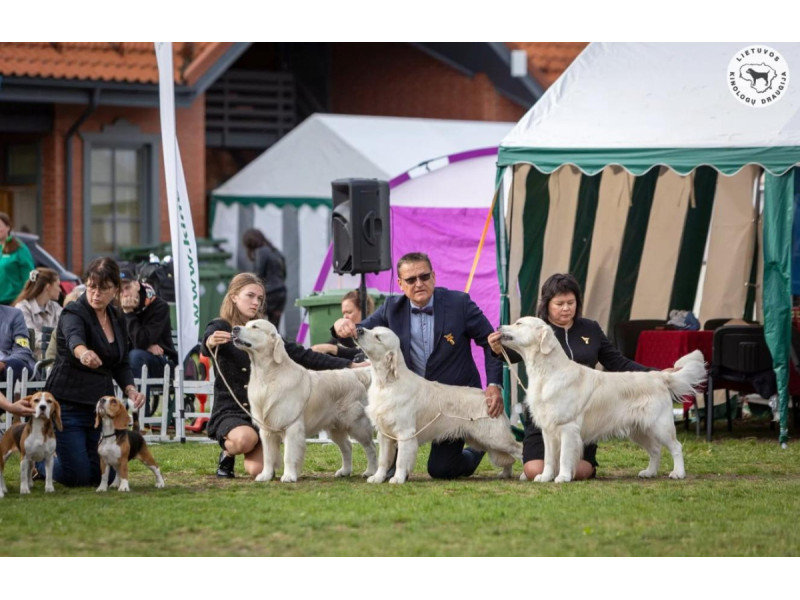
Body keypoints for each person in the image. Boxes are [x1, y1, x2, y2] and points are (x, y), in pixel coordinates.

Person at [333, 251, 504, 480]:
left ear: (433, 276)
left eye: (424, 276)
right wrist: (341, 327)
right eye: (411, 280)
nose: (419, 283)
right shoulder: (390, 308)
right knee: (390, 469)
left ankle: (476, 447)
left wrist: (493, 384)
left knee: (442, 470)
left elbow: (490, 342)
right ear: (401, 284)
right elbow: (360, 334)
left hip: (453, 405)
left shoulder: (459, 303)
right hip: (410, 401)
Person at [488, 272, 653, 481]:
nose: (566, 308)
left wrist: (654, 373)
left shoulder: (590, 329)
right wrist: (496, 349)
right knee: (534, 471)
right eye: (559, 303)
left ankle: (576, 464)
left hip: (582, 420)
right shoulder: (536, 330)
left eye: (571, 302)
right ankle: (544, 463)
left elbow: (617, 362)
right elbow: (509, 355)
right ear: (547, 304)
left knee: (580, 472)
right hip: (544, 419)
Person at [203, 272, 363, 478]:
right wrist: (210, 341)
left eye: (259, 299)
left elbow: (303, 355)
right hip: (233, 410)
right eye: (250, 296)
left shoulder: (265, 330)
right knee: (244, 440)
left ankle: (261, 452)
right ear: (234, 296)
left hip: (265, 411)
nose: (255, 303)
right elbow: (208, 342)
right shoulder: (221, 326)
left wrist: (349, 364)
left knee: (257, 470)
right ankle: (227, 453)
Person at [44, 257, 145, 487]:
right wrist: (83, 353)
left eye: (104, 288)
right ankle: (40, 463)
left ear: (116, 290)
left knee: (105, 475)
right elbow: (73, 338)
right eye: (91, 286)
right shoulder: (73, 311)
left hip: (99, 410)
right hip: (67, 405)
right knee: (77, 476)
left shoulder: (117, 317)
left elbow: (120, 362)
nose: (96, 293)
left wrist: (130, 389)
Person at [118, 267, 177, 415]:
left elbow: (141, 340)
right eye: (120, 290)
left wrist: (128, 314)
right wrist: (144, 346)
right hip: (130, 361)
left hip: (162, 362)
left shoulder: (158, 306)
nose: (124, 294)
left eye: (127, 288)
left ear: (137, 285)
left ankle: (141, 416)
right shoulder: (115, 308)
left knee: (136, 356)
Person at [13, 267, 62, 360]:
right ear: (48, 287)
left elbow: (66, 327)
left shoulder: (55, 307)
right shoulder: (23, 308)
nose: (60, 289)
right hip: (32, 359)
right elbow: (31, 337)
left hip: (55, 356)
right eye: (58, 285)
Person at [241, 228, 287, 328]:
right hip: (281, 293)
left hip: (269, 294)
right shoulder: (275, 251)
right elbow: (284, 273)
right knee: (274, 329)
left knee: (255, 324)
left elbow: (257, 276)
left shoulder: (261, 252)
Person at [312, 289, 375, 360]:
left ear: (364, 311)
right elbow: (326, 346)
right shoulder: (344, 334)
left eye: (349, 312)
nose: (345, 317)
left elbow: (366, 354)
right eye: (344, 313)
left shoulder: (373, 333)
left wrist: (333, 349)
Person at [0, 212, 36, 305]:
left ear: (8, 227)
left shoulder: (19, 248)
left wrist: (24, 298)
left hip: (12, 302)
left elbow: (30, 275)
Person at [0, 304, 35, 389]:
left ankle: (14, 402)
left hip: (8, 364)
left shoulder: (14, 314)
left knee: (15, 366)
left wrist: (4, 363)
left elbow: (22, 349)